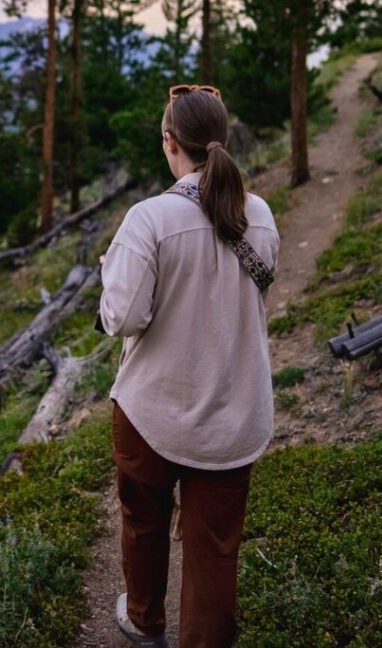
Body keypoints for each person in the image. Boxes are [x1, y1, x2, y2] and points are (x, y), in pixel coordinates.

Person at [96, 85, 280, 648]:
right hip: (235, 416)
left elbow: (123, 317)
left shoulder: (149, 219)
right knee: (216, 548)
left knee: (144, 521)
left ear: (170, 142)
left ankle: (146, 621)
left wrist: (112, 273)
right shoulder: (260, 214)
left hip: (153, 412)